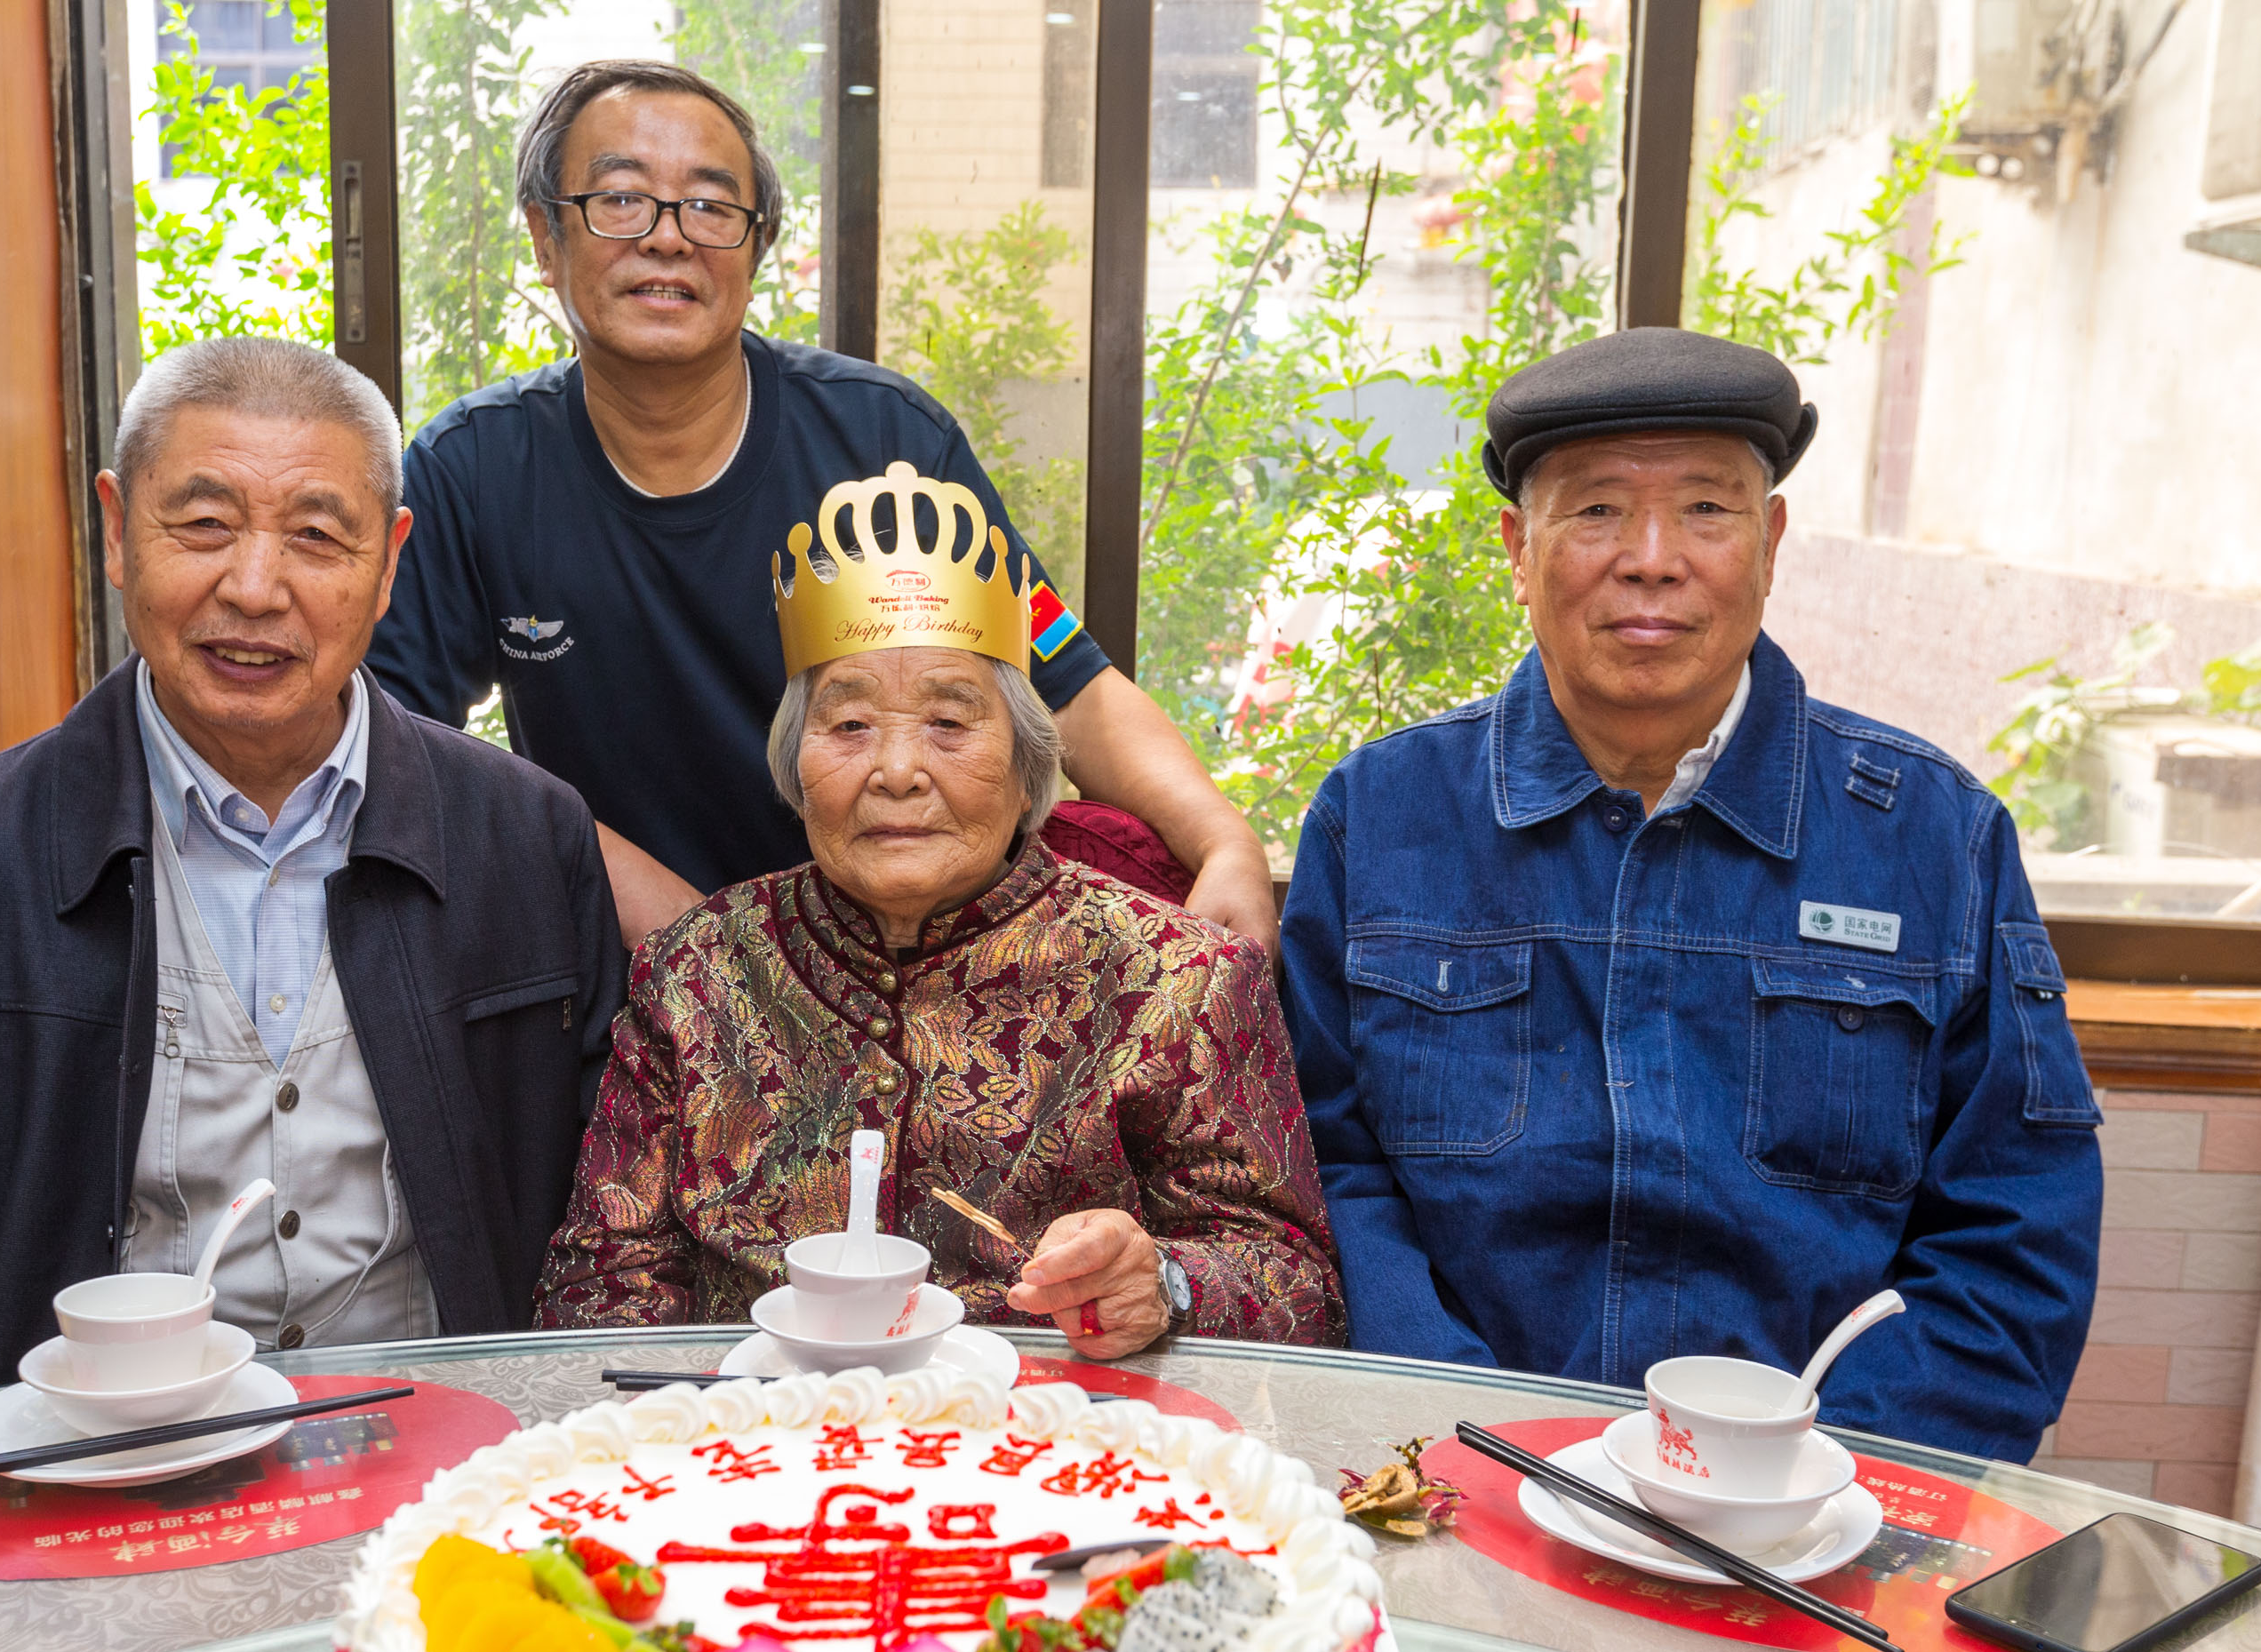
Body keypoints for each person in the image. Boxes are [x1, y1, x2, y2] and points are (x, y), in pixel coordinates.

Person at [0, 339, 626, 1417]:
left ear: (389, 565)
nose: (253, 587)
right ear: (115, 530)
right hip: (75, 1481)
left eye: (317, 536)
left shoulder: (524, 840)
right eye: (201, 525)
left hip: (438, 1470)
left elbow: (616, 1230)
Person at [1277, 328, 2103, 1462]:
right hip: (1458, 1478)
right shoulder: (1379, 818)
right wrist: (1467, 1437)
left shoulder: (1934, 838)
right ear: (1521, 548)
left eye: (1707, 511)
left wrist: (1819, 1475)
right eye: (1598, 511)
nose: (1652, 558)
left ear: (1769, 542)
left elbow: (2014, 1233)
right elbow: (1321, 1166)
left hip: (1813, 1513)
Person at [366, 60, 1278, 953]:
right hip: (628, 965)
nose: (668, 237)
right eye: (621, 198)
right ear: (543, 234)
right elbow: (392, 747)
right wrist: (687, 939)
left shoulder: (884, 442)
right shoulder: (473, 468)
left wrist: (1224, 841)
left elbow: (1064, 681)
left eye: (713, 207)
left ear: (757, 245)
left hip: (897, 960)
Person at [534, 462, 1342, 1356]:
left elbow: (1295, 1283)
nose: (896, 769)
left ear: (1029, 759)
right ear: (794, 760)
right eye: (848, 725)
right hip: (763, 1449)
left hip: (1061, 1454)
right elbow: (599, 1282)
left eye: (951, 723)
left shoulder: (1176, 976)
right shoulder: (695, 971)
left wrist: (1165, 1281)